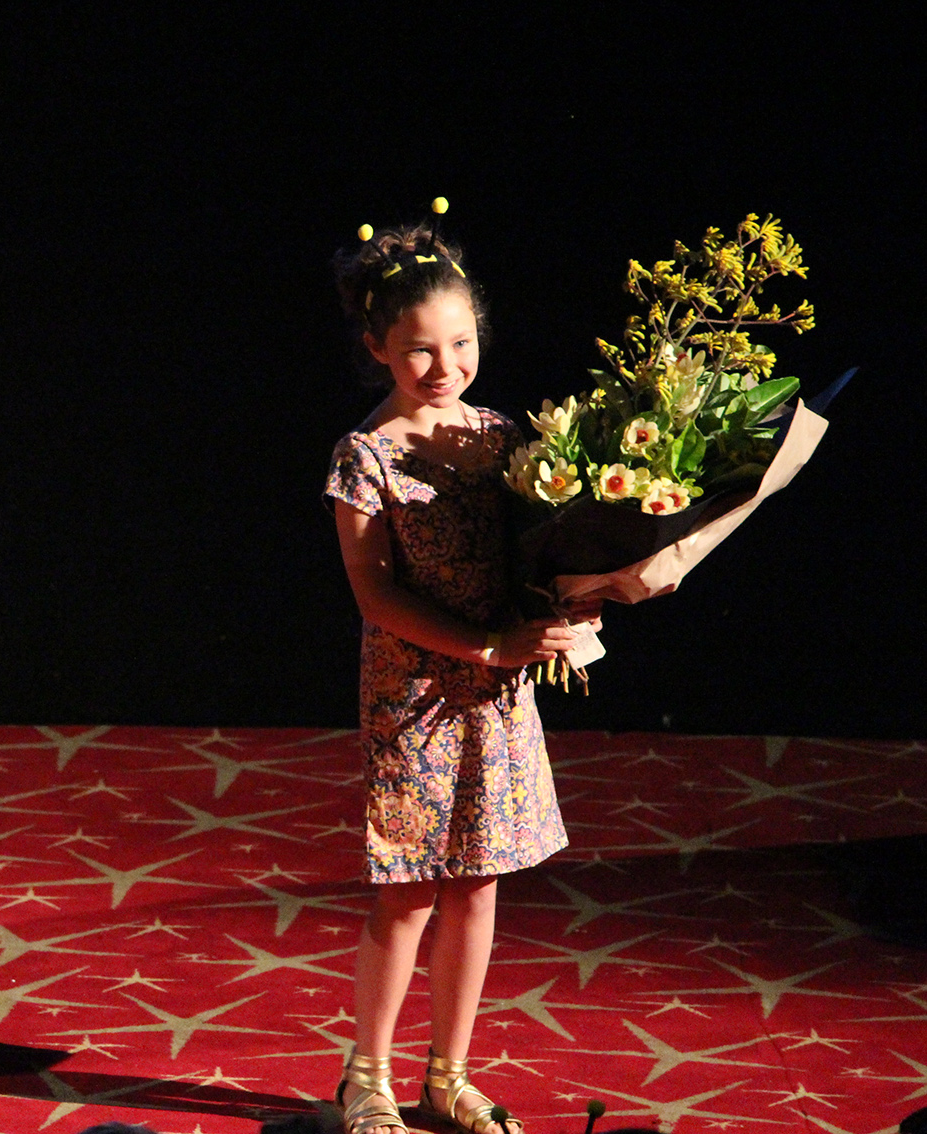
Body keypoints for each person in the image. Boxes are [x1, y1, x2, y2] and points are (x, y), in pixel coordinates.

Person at [322, 215, 591, 1134]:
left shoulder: (504, 436)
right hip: (414, 697)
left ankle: (448, 1076)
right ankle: (367, 1079)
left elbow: (535, 554)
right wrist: (486, 648)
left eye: (460, 343)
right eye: (418, 351)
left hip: (500, 695)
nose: (444, 366)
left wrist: (569, 606)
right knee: (405, 892)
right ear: (376, 348)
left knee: (478, 882)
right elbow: (374, 594)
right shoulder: (366, 456)